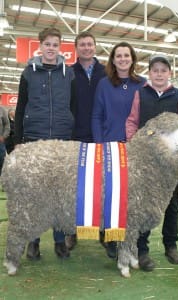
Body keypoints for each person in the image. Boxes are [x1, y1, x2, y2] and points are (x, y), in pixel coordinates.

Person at [126, 54, 178, 271]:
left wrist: (176, 140)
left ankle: (170, 244)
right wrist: (133, 143)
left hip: (170, 160)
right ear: (150, 73)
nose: (159, 74)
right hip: (145, 160)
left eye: (163, 70)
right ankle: (142, 249)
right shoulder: (140, 94)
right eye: (155, 70)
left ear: (169, 73)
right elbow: (132, 121)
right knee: (143, 203)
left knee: (171, 203)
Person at [14, 27, 76, 260]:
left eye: (55, 44)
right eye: (47, 44)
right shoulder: (28, 73)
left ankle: (60, 241)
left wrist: (73, 137)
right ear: (40, 46)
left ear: (61, 48)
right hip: (34, 140)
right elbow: (20, 108)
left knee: (60, 194)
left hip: (61, 140)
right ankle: (34, 241)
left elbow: (74, 106)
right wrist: (19, 140)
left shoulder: (68, 74)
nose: (51, 48)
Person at [92, 42, 146, 258]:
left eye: (126, 55)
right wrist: (99, 144)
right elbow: (96, 115)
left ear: (132, 58)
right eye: (118, 56)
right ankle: (109, 237)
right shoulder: (104, 84)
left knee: (131, 197)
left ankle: (130, 240)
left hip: (135, 149)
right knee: (110, 194)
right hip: (110, 146)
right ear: (113, 60)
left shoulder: (143, 84)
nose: (123, 59)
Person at [66, 31, 106, 250]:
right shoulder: (69, 73)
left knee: (102, 186)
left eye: (90, 44)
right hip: (76, 137)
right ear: (76, 48)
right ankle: (72, 231)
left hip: (101, 137)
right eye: (82, 45)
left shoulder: (106, 72)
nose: (87, 48)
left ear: (95, 46)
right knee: (74, 187)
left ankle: (102, 229)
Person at [0, 106, 10, 175]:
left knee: (1, 161)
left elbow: (7, 125)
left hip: (0, 142)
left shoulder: (2, 110)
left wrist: (3, 136)